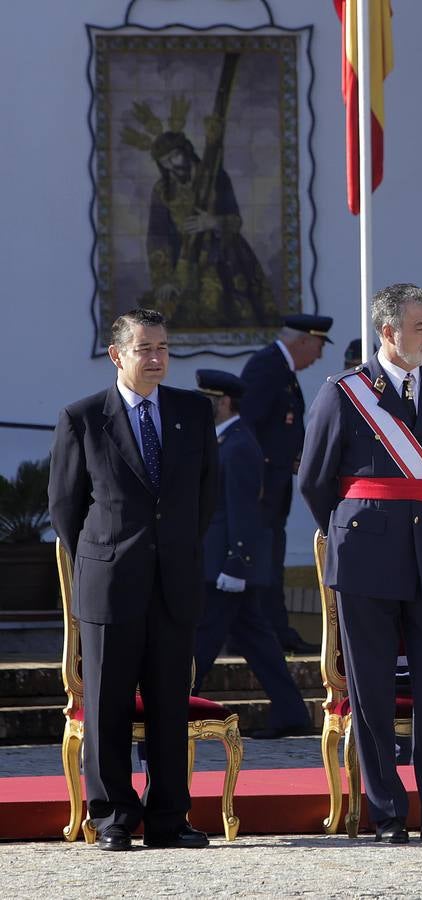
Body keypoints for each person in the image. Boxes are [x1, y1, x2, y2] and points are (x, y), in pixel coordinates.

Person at [299, 283, 422, 844]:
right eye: (420, 326)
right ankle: (385, 813)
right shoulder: (345, 393)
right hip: (366, 558)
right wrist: (356, 528)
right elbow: (314, 480)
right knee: (372, 690)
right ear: (388, 332)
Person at [48, 308, 217, 851]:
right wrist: (106, 556)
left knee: (170, 703)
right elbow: (65, 509)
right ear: (117, 354)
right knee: (108, 706)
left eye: (164, 348)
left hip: (174, 582)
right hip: (111, 583)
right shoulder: (82, 418)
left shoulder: (193, 411)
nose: (157, 359)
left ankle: (170, 817)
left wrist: (174, 549)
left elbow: (205, 498)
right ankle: (114, 816)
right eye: (145, 349)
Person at [191, 369, 313, 740]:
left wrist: (236, 562)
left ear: (225, 402)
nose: (201, 406)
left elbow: (246, 511)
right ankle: (292, 712)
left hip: (227, 566)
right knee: (257, 640)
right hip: (222, 563)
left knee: (201, 640)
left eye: (207, 400)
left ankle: (169, 706)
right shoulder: (225, 441)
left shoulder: (239, 445)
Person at [239, 313, 333, 654]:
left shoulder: (282, 371)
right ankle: (270, 636)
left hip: (275, 483)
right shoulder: (267, 367)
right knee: (263, 563)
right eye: (320, 346)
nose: (320, 355)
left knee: (271, 561)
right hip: (262, 487)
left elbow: (279, 430)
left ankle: (277, 633)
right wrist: (257, 478)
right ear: (305, 340)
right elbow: (247, 426)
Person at [142, 128, 276, 328]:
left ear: (186, 151)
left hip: (224, 256)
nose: (172, 165)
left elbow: (235, 221)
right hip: (184, 260)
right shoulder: (162, 191)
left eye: (175, 156)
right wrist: (164, 279)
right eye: (165, 161)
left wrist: (213, 222)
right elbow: (157, 236)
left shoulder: (216, 178)